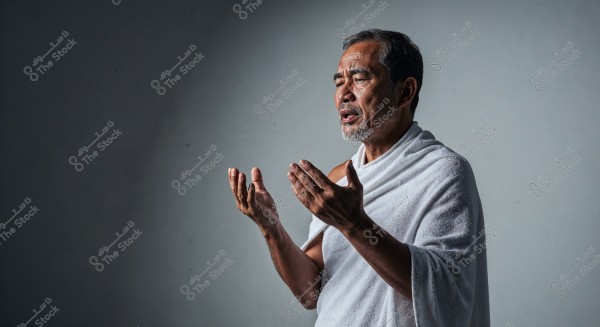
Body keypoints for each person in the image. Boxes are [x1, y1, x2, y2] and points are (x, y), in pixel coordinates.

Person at [227, 29, 490, 326]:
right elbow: (310, 292)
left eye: (360, 79)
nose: (344, 93)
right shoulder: (339, 178)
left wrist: (354, 224)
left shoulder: (443, 170)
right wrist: (271, 227)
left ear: (405, 91)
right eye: (339, 81)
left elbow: (446, 292)